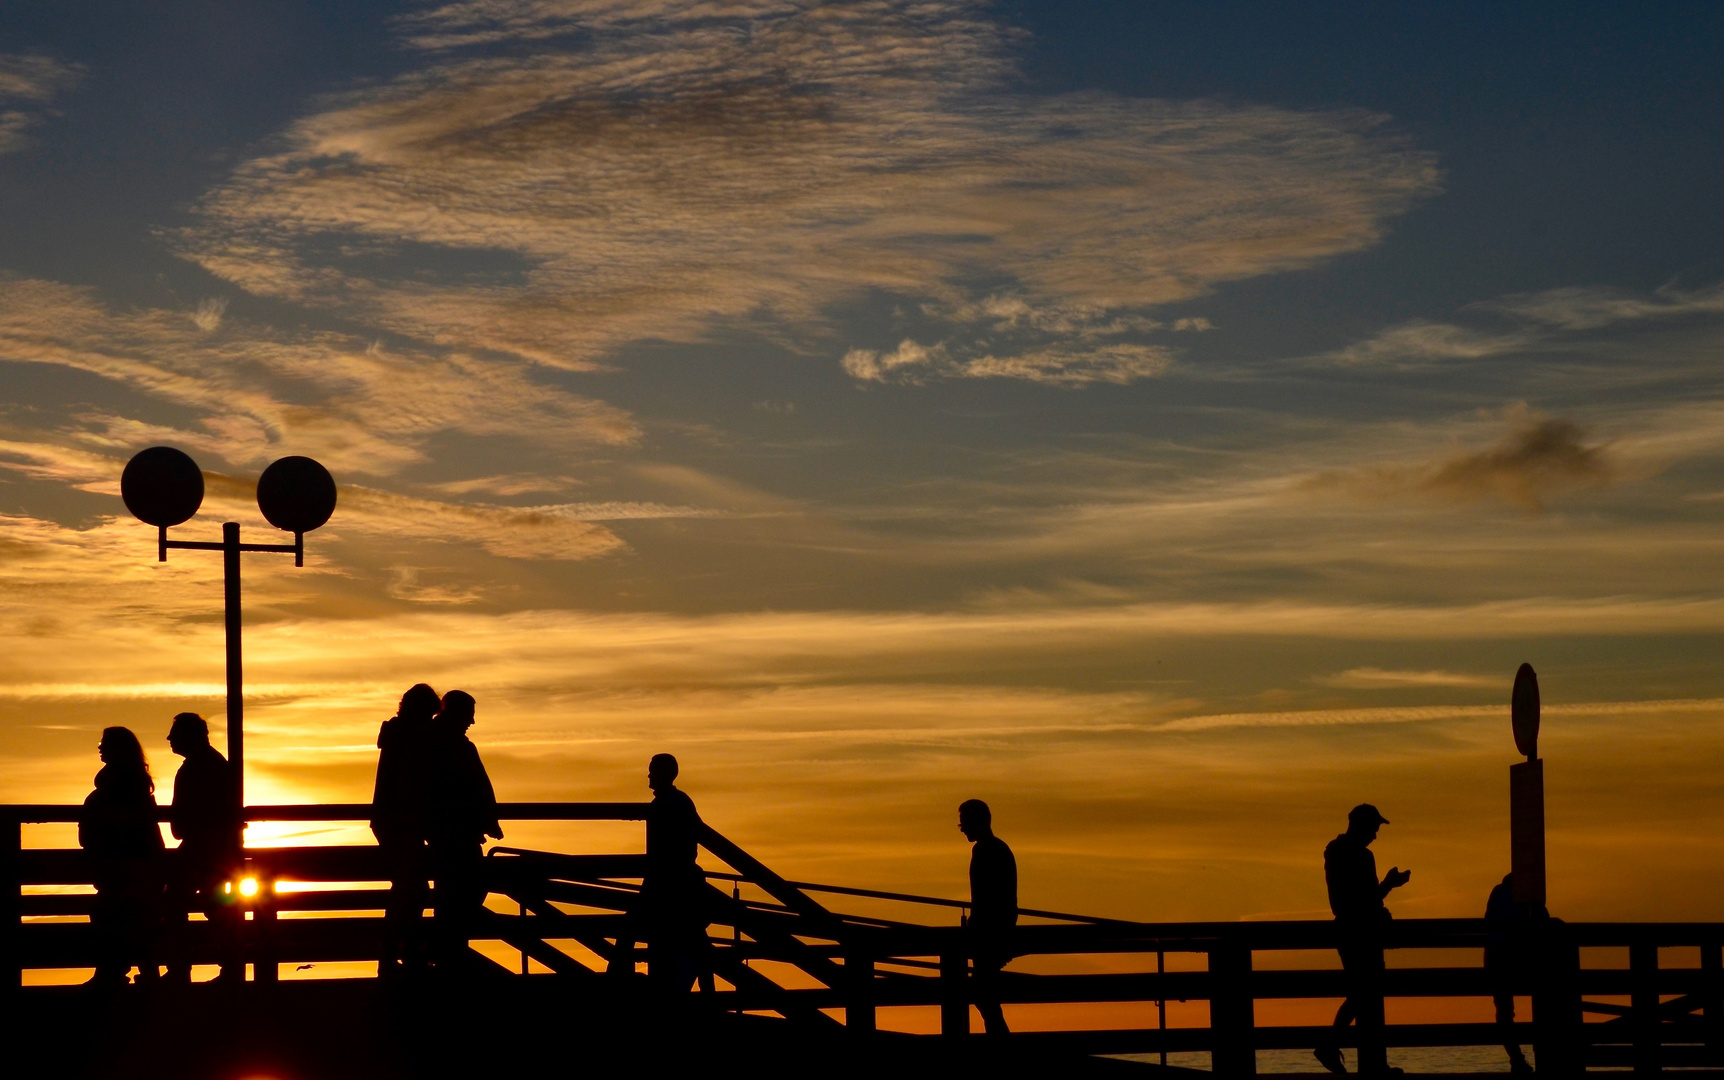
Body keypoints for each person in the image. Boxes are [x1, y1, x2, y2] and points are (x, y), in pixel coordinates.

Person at [1316, 804, 1409, 1076]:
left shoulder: (1334, 851)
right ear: (1362, 826)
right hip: (1361, 933)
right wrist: (1390, 885)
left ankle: (1369, 1062)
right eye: (1374, 828)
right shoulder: (1360, 856)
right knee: (1365, 994)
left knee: (1363, 995)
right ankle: (1336, 1048)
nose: (1375, 835)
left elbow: (1353, 902)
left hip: (1347, 930)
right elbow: (1365, 900)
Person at [79, 726, 164, 986]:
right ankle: (139, 974)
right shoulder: (135, 784)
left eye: (105, 742)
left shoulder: (118, 785)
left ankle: (112, 974)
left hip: (121, 868)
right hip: (132, 867)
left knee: (113, 916)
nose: (100, 747)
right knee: (129, 919)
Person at [427, 690, 503, 969]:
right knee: (463, 890)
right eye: (469, 715)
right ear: (457, 713)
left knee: (456, 893)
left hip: (456, 832)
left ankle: (446, 950)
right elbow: (465, 786)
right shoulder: (445, 744)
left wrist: (487, 818)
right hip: (453, 834)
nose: (472, 722)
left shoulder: (447, 742)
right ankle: (446, 951)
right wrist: (484, 817)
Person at [163, 712, 241, 982]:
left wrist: (183, 825)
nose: (169, 738)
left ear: (190, 735)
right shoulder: (212, 762)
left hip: (202, 848)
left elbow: (186, 819)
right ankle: (229, 965)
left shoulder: (198, 765)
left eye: (175, 733)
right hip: (214, 848)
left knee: (174, 901)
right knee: (213, 904)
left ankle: (181, 968)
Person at [370, 683, 441, 976]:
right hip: (400, 822)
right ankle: (403, 953)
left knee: (406, 888)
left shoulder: (398, 734)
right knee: (412, 889)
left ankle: (396, 954)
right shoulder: (411, 738)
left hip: (390, 821)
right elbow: (413, 785)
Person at [635, 753, 714, 995]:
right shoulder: (681, 801)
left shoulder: (668, 804)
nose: (648, 774)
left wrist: (650, 884)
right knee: (696, 945)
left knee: (678, 942)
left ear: (665, 773)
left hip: (671, 886)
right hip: (682, 883)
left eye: (653, 770)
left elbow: (665, 851)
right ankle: (704, 998)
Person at [959, 798, 1017, 1036]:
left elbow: (988, 897)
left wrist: (977, 927)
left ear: (980, 822)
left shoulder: (987, 850)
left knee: (983, 995)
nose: (963, 829)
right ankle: (999, 1040)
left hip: (988, 933)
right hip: (993, 929)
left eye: (965, 823)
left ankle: (1000, 1042)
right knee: (985, 995)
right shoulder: (998, 848)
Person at [1485, 873, 1541, 1076]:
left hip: (1498, 959)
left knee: (1504, 1011)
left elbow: (1488, 924)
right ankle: (1519, 1059)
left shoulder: (1499, 892)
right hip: (1520, 959)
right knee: (1507, 1011)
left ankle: (1516, 1058)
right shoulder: (1530, 896)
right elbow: (1543, 922)